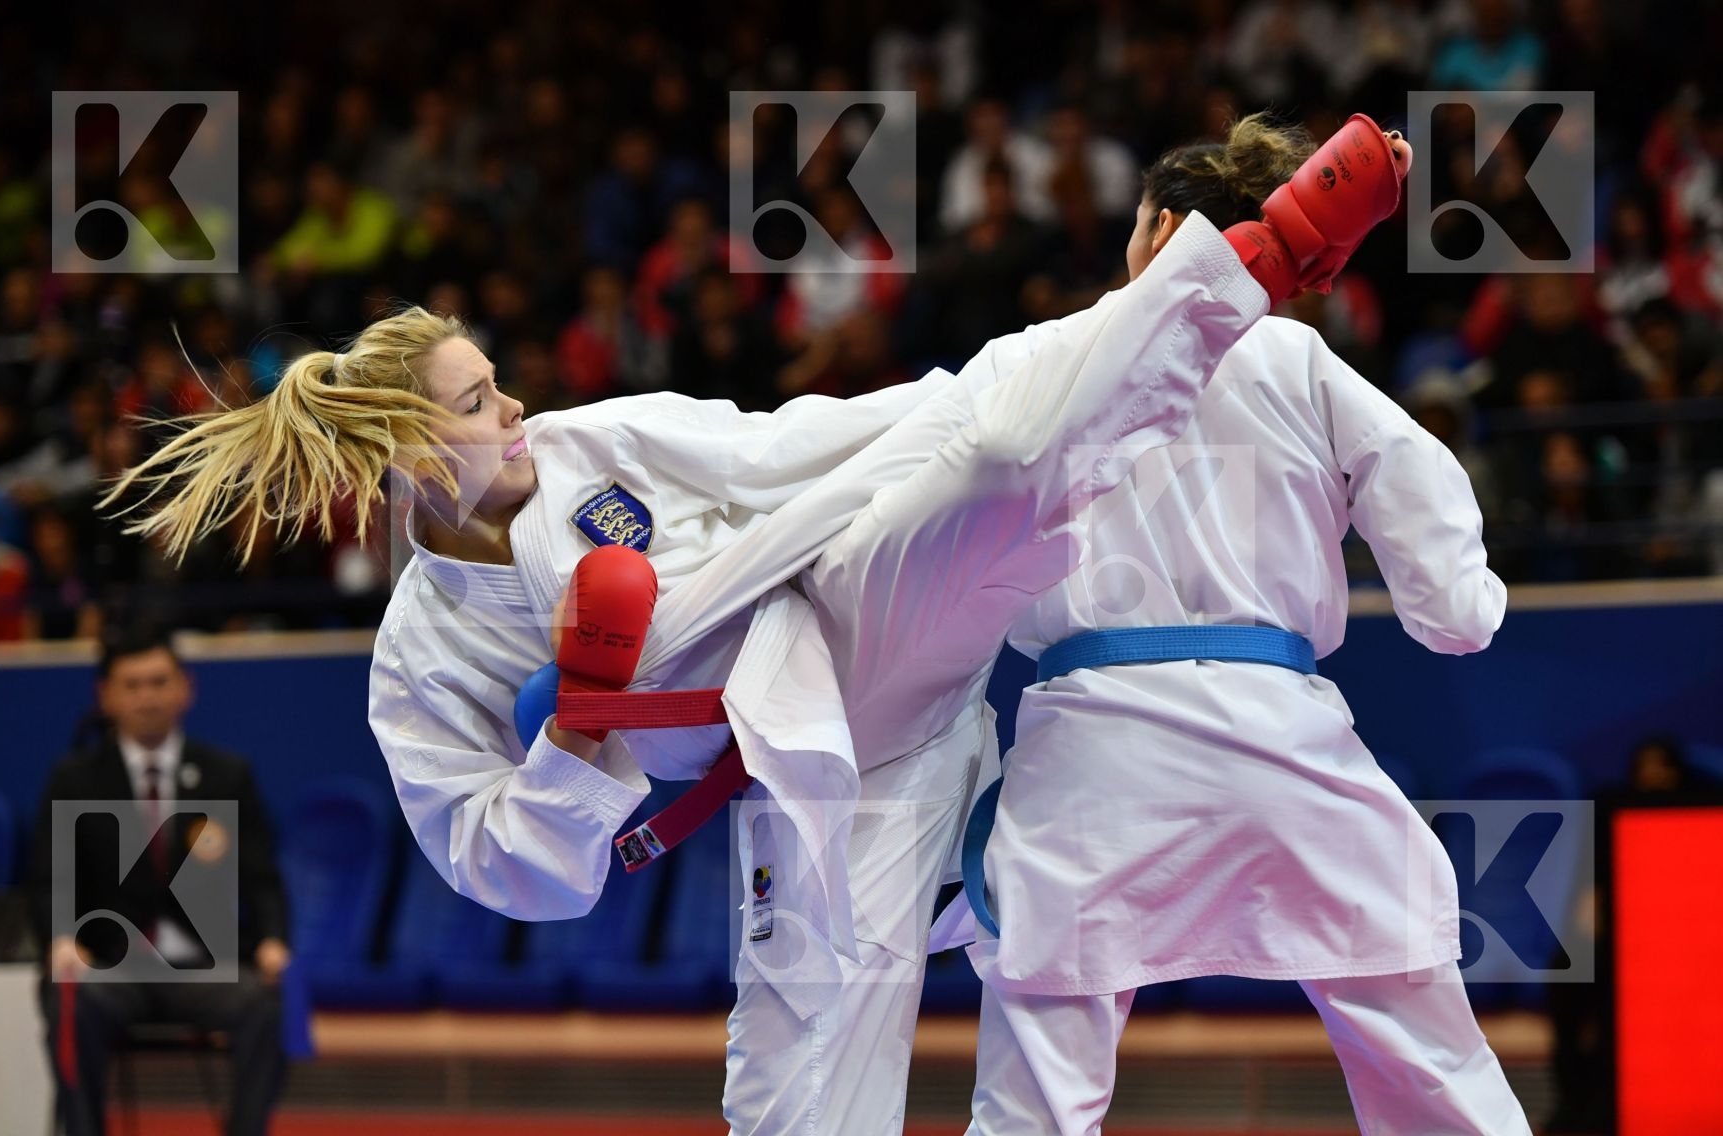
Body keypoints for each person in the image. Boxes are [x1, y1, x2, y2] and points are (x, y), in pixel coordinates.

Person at [101, 116, 1408, 1134]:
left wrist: (948, 409)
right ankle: (980, 868)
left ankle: (1253, 263)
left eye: (500, 386)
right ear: (404, 456)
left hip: (845, 617)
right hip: (796, 784)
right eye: (481, 402)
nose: (515, 412)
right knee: (786, 1113)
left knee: (995, 447)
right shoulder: (421, 661)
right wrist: (579, 741)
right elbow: (503, 871)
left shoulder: (586, 446)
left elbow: (779, 445)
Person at [941, 119, 1531, 1135]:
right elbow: (1429, 513)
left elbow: (928, 508)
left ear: (1162, 227)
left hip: (1093, 752)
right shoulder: (1299, 361)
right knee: (1430, 1062)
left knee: (1036, 1090)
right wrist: (1459, 612)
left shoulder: (1031, 357)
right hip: (1281, 739)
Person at [27, 631, 291, 1136]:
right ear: (105, 696)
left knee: (266, 1002)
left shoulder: (227, 774)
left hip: (205, 967)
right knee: (68, 997)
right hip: (109, 967)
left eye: (158, 682)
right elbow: (46, 880)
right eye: (132, 685)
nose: (146, 696)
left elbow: (262, 878)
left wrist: (274, 942)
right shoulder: (74, 779)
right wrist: (62, 939)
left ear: (185, 689)